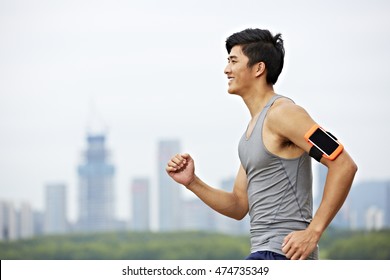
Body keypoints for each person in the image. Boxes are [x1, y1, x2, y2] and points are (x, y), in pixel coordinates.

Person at [165, 28, 357, 260]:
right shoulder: (251, 132)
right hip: (262, 253)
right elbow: (238, 205)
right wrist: (192, 182)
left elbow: (344, 165)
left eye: (233, 61)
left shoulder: (285, 113)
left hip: (282, 254)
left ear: (258, 68)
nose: (226, 69)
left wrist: (313, 232)